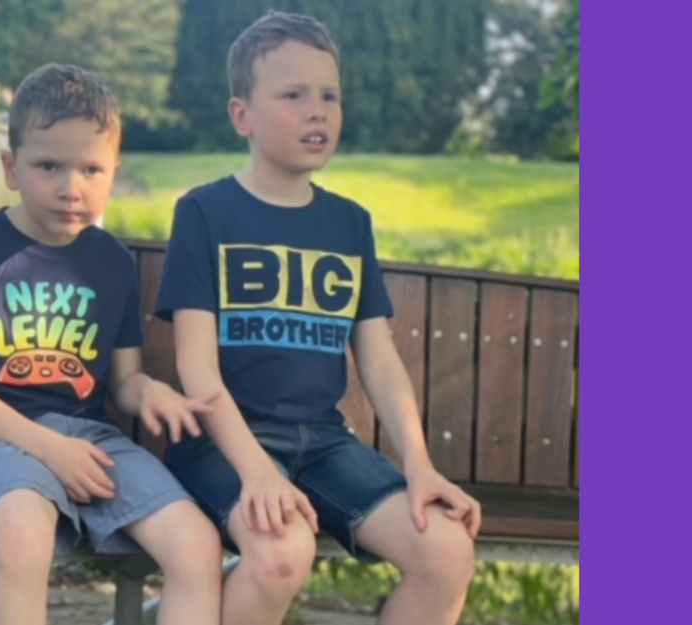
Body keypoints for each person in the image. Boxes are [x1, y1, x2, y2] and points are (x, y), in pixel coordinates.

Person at [154, 12, 482, 625]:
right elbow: (196, 368)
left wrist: (419, 465)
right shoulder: (204, 212)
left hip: (324, 444)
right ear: (242, 116)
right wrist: (257, 472)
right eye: (294, 95)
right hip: (224, 443)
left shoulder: (349, 224)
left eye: (329, 96)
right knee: (282, 552)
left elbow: (379, 360)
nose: (318, 112)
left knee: (446, 550)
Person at [0, 63, 222, 625]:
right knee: (22, 532)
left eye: (92, 169)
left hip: (89, 438)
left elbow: (125, 380)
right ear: (12, 169)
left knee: (196, 545)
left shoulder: (112, 261)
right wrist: (47, 448)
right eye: (49, 166)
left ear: (113, 172)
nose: (72, 188)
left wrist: (151, 393)